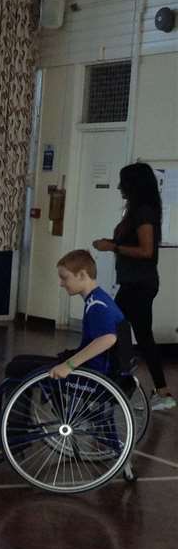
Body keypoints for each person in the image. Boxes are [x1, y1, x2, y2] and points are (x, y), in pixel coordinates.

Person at [93, 162, 174, 410]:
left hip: (140, 284)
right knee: (131, 335)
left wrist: (114, 247)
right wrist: (113, 242)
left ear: (134, 184)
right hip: (133, 283)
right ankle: (145, 390)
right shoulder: (137, 211)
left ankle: (131, 389)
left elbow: (147, 251)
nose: (119, 187)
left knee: (121, 332)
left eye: (123, 182)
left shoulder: (144, 212)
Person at [3, 250, 124, 382]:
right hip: (93, 367)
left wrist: (68, 365)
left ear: (82, 275)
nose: (61, 283)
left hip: (91, 374)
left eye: (64, 278)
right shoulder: (99, 297)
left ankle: (14, 403)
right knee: (20, 361)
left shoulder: (96, 305)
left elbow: (108, 338)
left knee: (16, 368)